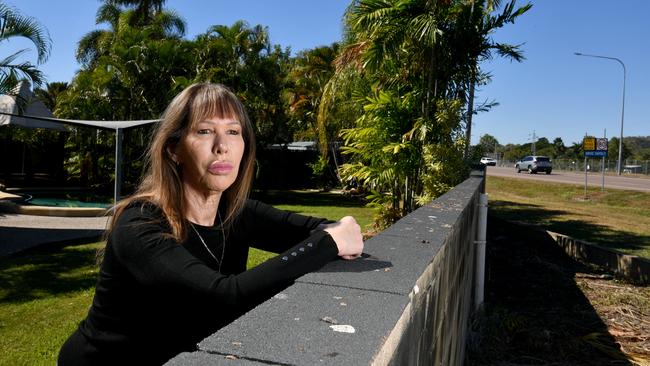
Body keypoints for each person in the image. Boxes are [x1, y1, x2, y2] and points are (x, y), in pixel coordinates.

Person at [58, 83, 364, 365]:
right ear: (173, 149)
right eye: (204, 131)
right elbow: (223, 299)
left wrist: (333, 234)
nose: (222, 146)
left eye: (233, 132)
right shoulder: (139, 223)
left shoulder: (235, 212)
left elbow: (320, 229)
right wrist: (330, 242)